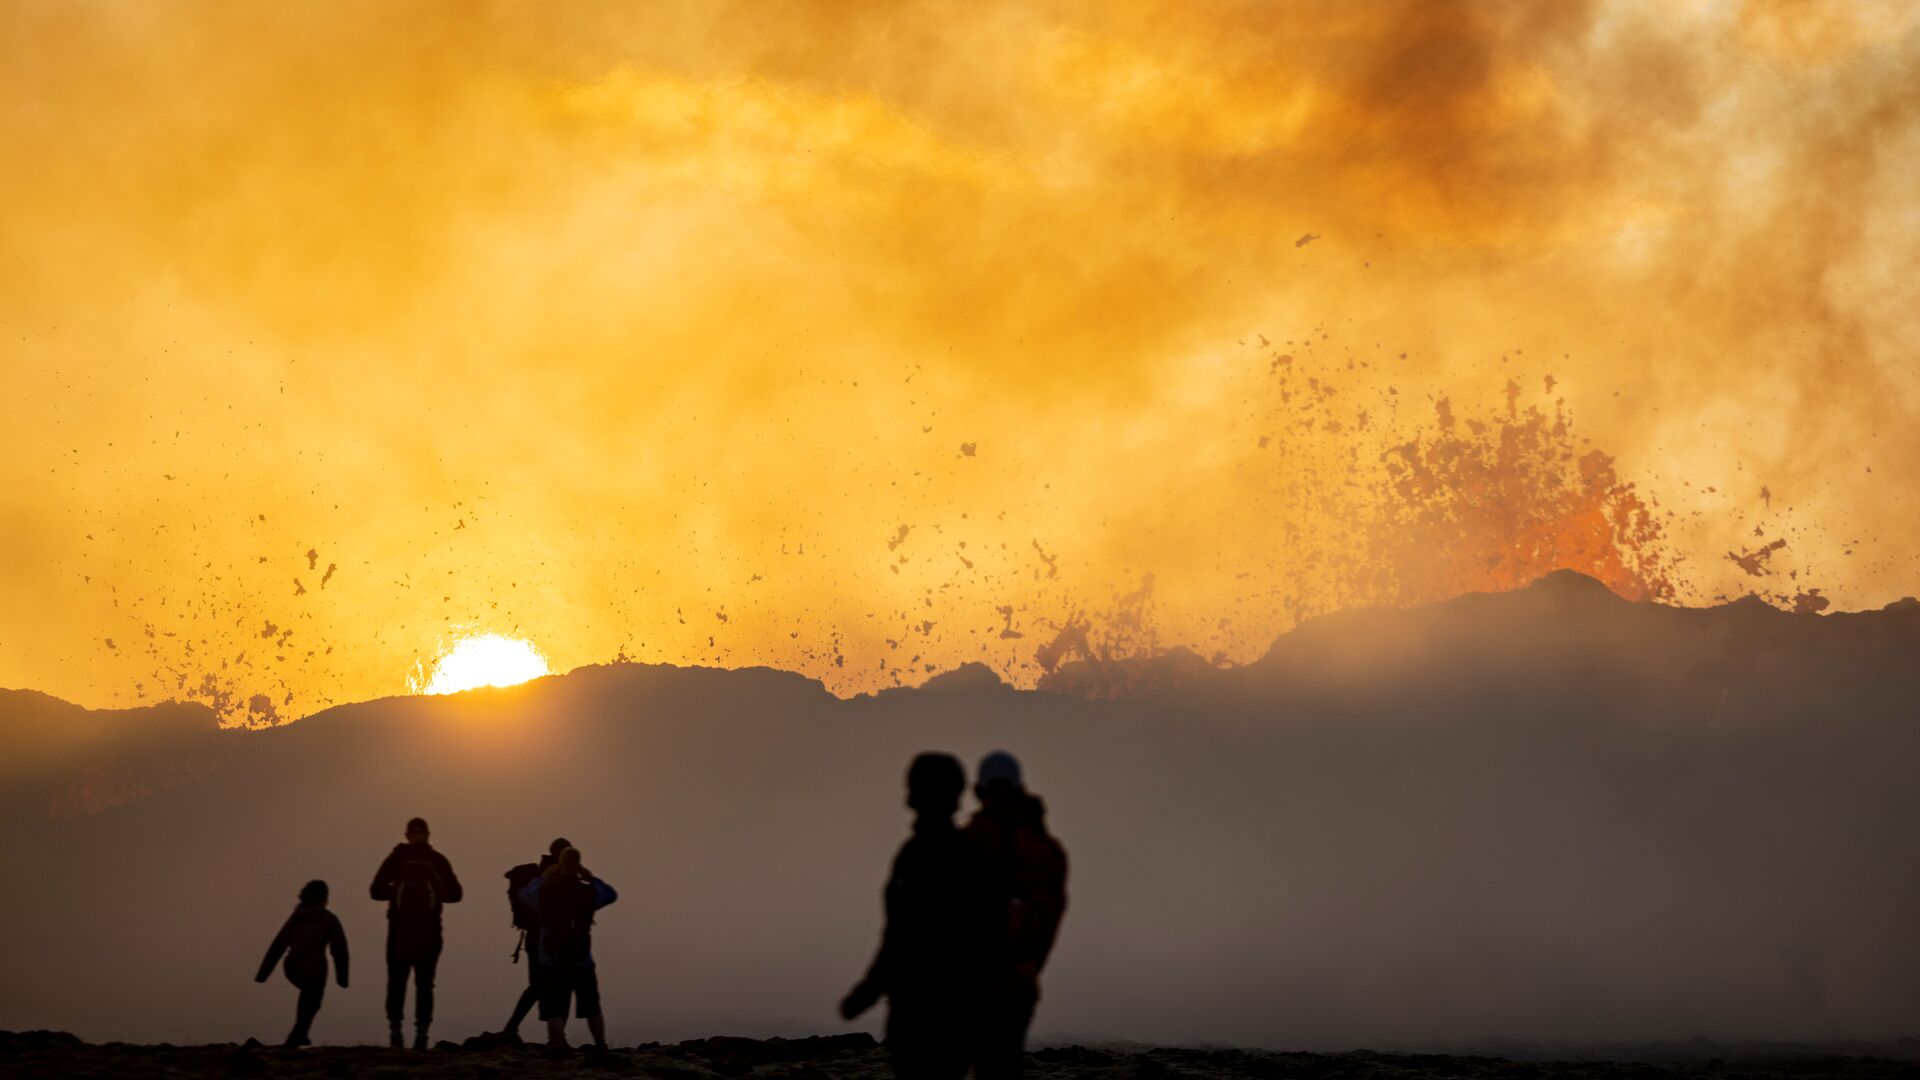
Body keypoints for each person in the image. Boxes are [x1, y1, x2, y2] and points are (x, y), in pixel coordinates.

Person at [841, 752, 1001, 1080]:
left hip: (927, 1013)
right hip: (946, 1012)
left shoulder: (919, 857)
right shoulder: (965, 857)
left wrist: (868, 991)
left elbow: (900, 936)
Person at [965, 751, 1068, 1080]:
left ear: (978, 791)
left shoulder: (969, 843)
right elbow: (1050, 915)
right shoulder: (1047, 851)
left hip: (974, 978)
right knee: (1006, 1064)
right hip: (1020, 978)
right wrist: (1029, 966)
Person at [369, 816, 463, 1049]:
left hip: (402, 932)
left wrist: (397, 888)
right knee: (423, 984)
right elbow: (455, 895)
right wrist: (432, 882)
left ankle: (398, 1035)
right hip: (427, 932)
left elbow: (376, 891)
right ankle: (418, 1035)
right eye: (417, 832)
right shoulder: (436, 860)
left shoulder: (397, 859)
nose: (419, 836)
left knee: (399, 983)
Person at [518, 846, 618, 1053]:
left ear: (560, 863)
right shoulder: (588, 891)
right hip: (581, 956)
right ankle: (600, 1044)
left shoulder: (545, 890)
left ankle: (556, 1045)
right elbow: (610, 894)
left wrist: (543, 877)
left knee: (553, 1006)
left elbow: (524, 895)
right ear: (578, 864)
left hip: (550, 957)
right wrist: (591, 878)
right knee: (591, 1004)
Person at [255, 880, 349, 1048]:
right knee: (312, 996)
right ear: (324, 898)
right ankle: (299, 1032)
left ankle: (301, 1032)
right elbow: (340, 951)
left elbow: (278, 945)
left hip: (292, 967)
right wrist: (342, 977)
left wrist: (264, 973)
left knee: (309, 995)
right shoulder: (329, 919)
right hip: (315, 970)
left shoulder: (297, 917)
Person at [498, 837, 573, 1040]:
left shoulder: (541, 875)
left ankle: (512, 1028)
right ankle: (557, 1038)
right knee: (561, 987)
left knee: (539, 987)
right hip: (553, 941)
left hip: (535, 940)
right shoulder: (556, 877)